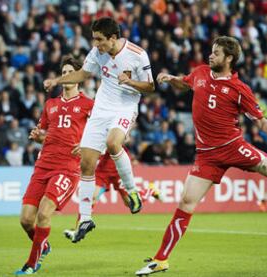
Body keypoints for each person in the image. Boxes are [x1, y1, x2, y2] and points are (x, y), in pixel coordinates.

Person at [135, 36, 267, 276]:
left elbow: (260, 121)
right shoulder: (200, 72)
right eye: (211, 51)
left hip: (233, 146)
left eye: (217, 53)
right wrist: (171, 79)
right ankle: (161, 260)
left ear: (229, 58)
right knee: (186, 203)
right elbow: (186, 83)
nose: (211, 56)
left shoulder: (240, 89)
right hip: (206, 156)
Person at [43, 17, 155, 243]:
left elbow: (151, 87)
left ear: (113, 38)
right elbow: (83, 74)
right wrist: (56, 81)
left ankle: (132, 190)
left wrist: (131, 82)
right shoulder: (96, 53)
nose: (95, 44)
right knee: (86, 162)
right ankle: (85, 218)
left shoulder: (137, 54)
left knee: (114, 143)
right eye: (94, 39)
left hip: (124, 108)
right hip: (101, 108)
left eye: (99, 40)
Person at [15, 56, 94, 275]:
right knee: (25, 219)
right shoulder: (50, 104)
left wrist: (87, 144)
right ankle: (44, 245)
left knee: (43, 214)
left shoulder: (88, 104)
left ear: (78, 76)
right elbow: (45, 133)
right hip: (43, 165)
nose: (66, 75)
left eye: (71, 71)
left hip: (67, 167)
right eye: (64, 71)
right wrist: (37, 136)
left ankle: (32, 264)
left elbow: (101, 131)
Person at [63, 148, 161, 241]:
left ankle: (150, 191)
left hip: (118, 171)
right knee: (91, 196)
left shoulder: (114, 134)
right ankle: (77, 230)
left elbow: (120, 142)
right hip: (102, 172)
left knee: (130, 203)